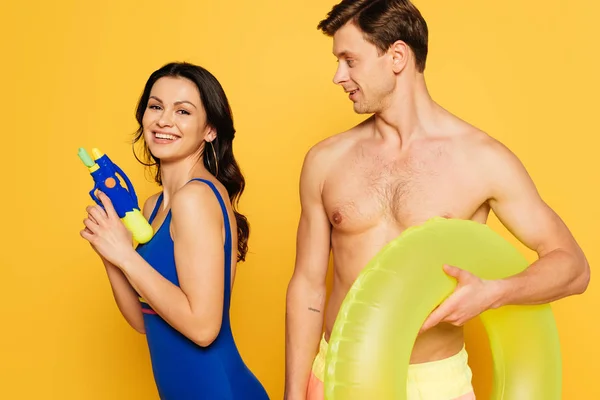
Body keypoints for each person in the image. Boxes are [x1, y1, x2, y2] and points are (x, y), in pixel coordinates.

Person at [284, 1, 590, 399]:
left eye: (349, 60)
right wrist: (293, 393)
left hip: (434, 384)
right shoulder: (325, 161)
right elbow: (308, 287)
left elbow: (573, 266)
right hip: (339, 376)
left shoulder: (482, 160)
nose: (338, 76)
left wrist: (494, 292)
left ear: (396, 56)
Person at [80, 62, 270, 400]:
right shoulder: (153, 207)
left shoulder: (195, 198)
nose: (164, 120)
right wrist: (110, 252)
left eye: (183, 111)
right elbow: (146, 322)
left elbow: (203, 328)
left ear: (210, 130)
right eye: (155, 106)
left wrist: (126, 255)